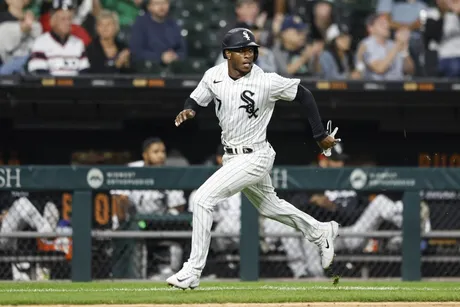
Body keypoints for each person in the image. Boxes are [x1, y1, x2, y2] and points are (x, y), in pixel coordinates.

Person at [167, 27, 340, 290]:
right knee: (270, 207)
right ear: (227, 54)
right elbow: (195, 98)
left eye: (251, 51)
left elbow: (304, 94)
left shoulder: (266, 80)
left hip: (255, 155)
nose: (248, 55)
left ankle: (193, 270)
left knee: (202, 199)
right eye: (241, 51)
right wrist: (189, 110)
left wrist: (319, 134)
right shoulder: (213, 76)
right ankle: (320, 232)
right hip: (231, 156)